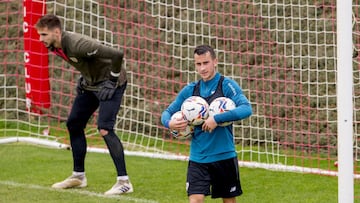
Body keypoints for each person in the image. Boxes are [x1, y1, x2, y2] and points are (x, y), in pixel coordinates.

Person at [35, 14, 133, 195]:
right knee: (74, 124)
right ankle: (78, 176)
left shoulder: (78, 44)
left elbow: (117, 55)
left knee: (104, 128)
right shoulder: (54, 45)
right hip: (91, 84)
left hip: (112, 83)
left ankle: (124, 182)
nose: (40, 39)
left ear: (56, 32)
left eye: (43, 35)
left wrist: (111, 81)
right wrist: (84, 77)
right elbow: (87, 63)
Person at [161, 45, 252, 203]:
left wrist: (216, 119)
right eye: (198, 64)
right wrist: (170, 124)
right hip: (198, 157)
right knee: (195, 200)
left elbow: (246, 109)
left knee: (229, 201)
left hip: (224, 155)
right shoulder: (190, 90)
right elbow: (167, 113)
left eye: (206, 63)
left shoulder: (226, 85)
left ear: (215, 61)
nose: (202, 68)